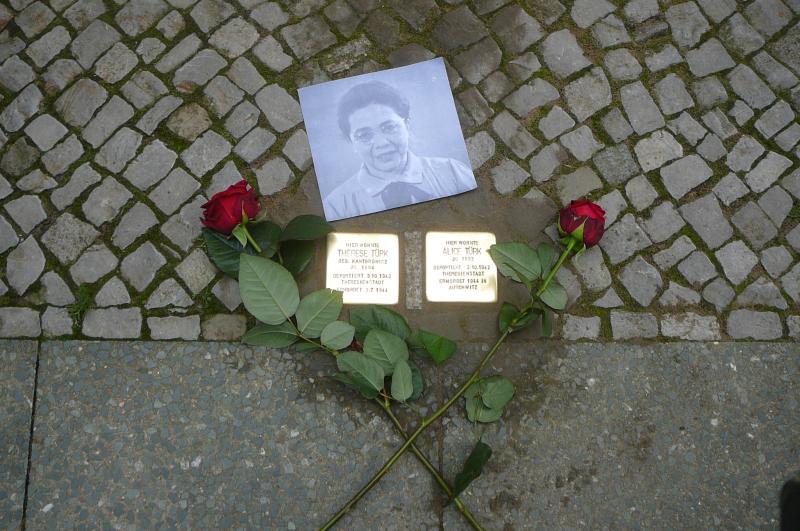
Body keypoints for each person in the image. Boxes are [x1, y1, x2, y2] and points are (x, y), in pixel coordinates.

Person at [323, 81, 476, 220]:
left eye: (389, 127)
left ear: (407, 125)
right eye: (364, 135)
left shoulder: (452, 172)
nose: (381, 143)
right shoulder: (336, 206)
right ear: (352, 142)